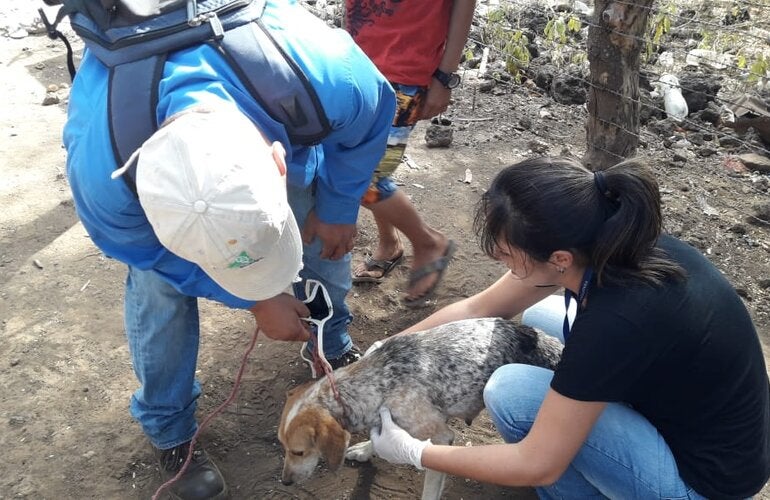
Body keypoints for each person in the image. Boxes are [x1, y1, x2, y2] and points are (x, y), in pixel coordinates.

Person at [62, 1, 396, 498]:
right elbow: (152, 255)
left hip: (268, 106)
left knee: (319, 231)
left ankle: (328, 341)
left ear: (278, 158)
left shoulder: (317, 72)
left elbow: (372, 116)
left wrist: (339, 205)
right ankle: (170, 429)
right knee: (160, 291)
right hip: (150, 187)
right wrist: (258, 298)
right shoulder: (107, 183)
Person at [367, 157, 770, 499]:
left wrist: (415, 452)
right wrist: (392, 346)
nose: (499, 260)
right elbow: (482, 306)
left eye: (506, 252)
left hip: (704, 482)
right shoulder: (612, 238)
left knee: (510, 393)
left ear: (559, 257)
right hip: (713, 428)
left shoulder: (617, 319)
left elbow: (536, 464)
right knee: (541, 316)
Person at [345, 0, 476, 305]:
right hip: (355, 62)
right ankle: (389, 243)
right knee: (368, 164)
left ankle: (428, 242)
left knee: (367, 177)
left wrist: (445, 77)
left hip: (404, 76)